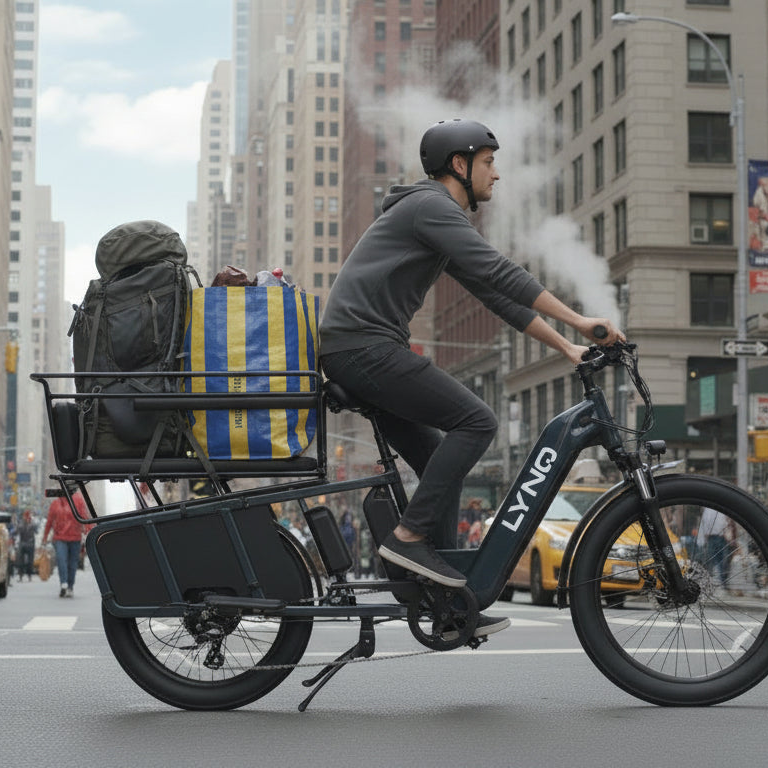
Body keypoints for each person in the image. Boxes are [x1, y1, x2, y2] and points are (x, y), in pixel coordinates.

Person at [319, 118, 623, 640]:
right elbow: (500, 271)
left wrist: (567, 346)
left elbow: (493, 295)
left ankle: (445, 597)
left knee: (439, 450)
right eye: (487, 162)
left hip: (359, 349)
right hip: (363, 348)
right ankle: (409, 537)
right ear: (458, 164)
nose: (496, 175)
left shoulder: (432, 217)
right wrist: (580, 320)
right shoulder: (430, 206)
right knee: (477, 422)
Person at [42, 492, 91, 598]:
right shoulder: (55, 503)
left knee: (72, 564)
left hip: (75, 537)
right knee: (61, 560)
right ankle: (64, 584)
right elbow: (49, 521)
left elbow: (84, 517)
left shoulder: (78, 501)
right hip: (60, 538)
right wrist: (45, 537)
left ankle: (70, 586)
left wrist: (89, 532)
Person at [15, 509, 37, 582]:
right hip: (23, 543)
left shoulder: (32, 523)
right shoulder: (21, 523)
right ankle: (21, 576)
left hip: (29, 543)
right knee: (20, 560)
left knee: (30, 561)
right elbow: (17, 531)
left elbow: (36, 530)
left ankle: (29, 575)